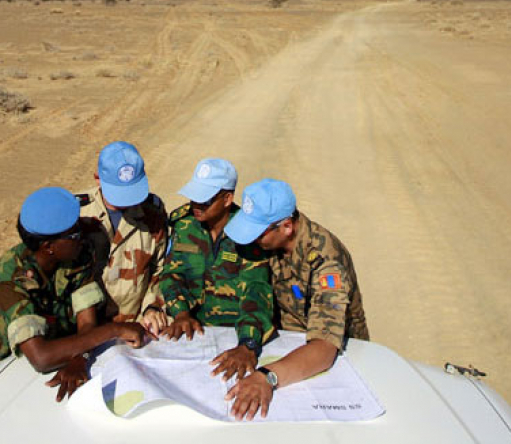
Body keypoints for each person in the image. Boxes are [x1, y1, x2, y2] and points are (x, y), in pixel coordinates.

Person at [0, 186, 149, 401]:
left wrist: (80, 355)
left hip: (62, 351)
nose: (82, 235)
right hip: (1, 367)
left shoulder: (77, 254)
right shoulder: (10, 277)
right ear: (49, 246)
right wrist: (114, 330)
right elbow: (41, 356)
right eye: (74, 233)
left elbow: (86, 323)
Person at [222, 178, 369, 421]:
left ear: (287, 227)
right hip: (288, 345)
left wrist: (266, 377)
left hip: (336, 360)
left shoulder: (327, 262)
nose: (252, 240)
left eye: (257, 233)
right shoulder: (271, 241)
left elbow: (324, 348)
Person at [151, 158, 274, 382]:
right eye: (194, 197)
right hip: (190, 334)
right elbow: (172, 273)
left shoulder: (248, 233)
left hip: (233, 337)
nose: (196, 206)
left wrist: (248, 343)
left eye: (205, 200)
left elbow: (256, 290)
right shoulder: (183, 223)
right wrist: (180, 312)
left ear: (227, 199)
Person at [75, 141, 170, 332]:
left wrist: (152, 307)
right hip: (85, 331)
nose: (127, 202)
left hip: (136, 325)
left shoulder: (153, 212)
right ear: (97, 179)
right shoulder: (78, 213)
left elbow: (160, 269)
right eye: (118, 193)